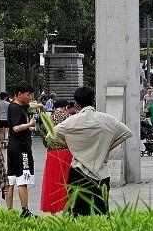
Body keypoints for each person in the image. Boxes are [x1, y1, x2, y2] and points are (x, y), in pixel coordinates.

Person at [56, 85, 132, 215]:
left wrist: (72, 145)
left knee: (78, 214)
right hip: (101, 173)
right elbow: (126, 132)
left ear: (76, 104)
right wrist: (107, 146)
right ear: (94, 100)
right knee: (101, 213)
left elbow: (52, 134)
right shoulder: (107, 119)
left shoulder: (71, 121)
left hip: (78, 172)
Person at [39, 99, 79, 214]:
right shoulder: (67, 117)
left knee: (53, 181)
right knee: (66, 180)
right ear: (65, 107)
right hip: (65, 152)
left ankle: (53, 208)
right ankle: (67, 207)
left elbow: (44, 136)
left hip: (52, 153)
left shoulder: (49, 117)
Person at [5, 86, 37, 218]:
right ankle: (25, 211)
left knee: (11, 179)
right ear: (19, 94)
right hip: (21, 149)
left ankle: (9, 212)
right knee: (23, 179)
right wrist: (30, 124)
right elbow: (16, 128)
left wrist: (28, 128)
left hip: (14, 147)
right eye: (28, 94)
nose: (30, 97)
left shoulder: (16, 107)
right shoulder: (15, 108)